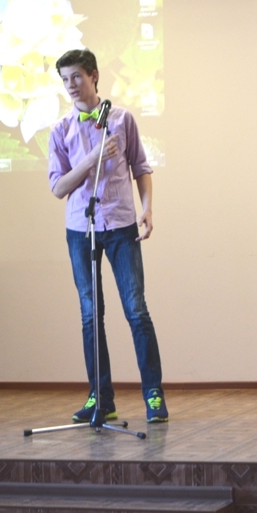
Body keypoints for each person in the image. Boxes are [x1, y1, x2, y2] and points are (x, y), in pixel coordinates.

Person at [48, 48, 168, 424]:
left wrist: (147, 208)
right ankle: (100, 398)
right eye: (65, 79)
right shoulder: (60, 130)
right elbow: (58, 187)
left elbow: (141, 167)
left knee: (136, 310)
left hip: (120, 225)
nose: (71, 85)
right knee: (90, 315)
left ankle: (153, 395)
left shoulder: (121, 119)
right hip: (80, 230)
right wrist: (91, 159)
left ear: (94, 76)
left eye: (77, 76)